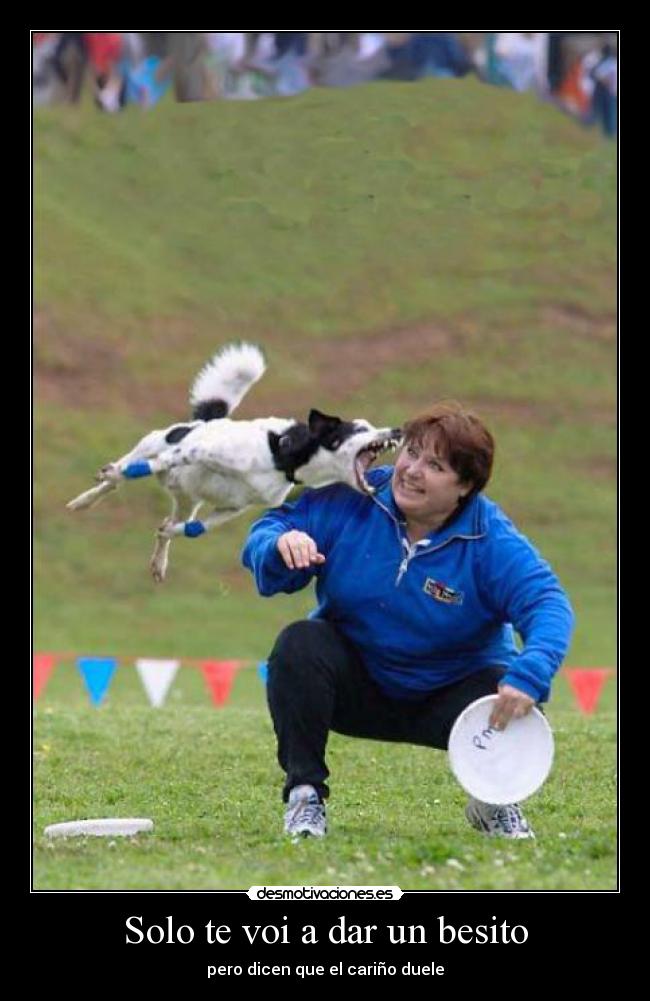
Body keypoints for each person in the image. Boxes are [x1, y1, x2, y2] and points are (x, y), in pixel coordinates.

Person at [242, 402, 574, 841]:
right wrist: (281, 542)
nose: (412, 470)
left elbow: (549, 604)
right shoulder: (357, 495)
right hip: (356, 688)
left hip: (453, 701)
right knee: (300, 644)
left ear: (465, 486)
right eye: (411, 452)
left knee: (511, 691)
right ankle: (305, 798)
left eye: (434, 464)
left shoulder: (490, 538)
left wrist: (530, 674)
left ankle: (493, 799)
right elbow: (272, 525)